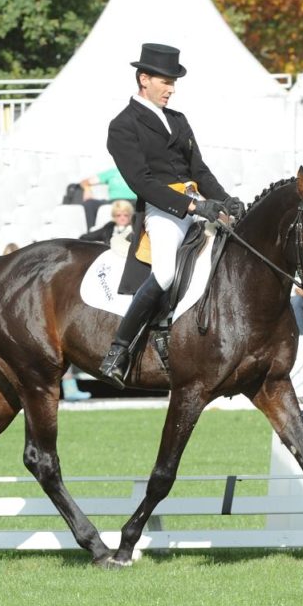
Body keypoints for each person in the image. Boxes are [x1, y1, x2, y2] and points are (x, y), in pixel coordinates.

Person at [98, 43, 244, 389]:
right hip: (163, 210)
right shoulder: (123, 125)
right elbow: (142, 181)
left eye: (173, 82)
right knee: (165, 272)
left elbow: (200, 170)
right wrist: (194, 206)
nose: (171, 89)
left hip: (197, 203)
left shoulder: (178, 120)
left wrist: (225, 200)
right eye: (165, 81)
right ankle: (119, 350)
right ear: (143, 78)